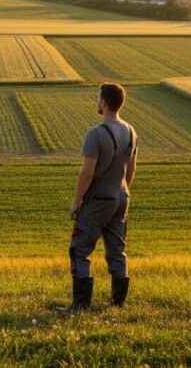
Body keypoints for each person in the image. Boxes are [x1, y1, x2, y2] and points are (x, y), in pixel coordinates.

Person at [57, 82, 138, 314]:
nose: (97, 101)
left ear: (104, 102)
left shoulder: (96, 134)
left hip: (98, 200)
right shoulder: (131, 131)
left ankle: (80, 305)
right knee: (117, 250)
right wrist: (121, 191)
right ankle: (118, 304)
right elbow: (131, 169)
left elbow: (87, 173)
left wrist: (76, 202)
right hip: (121, 197)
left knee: (79, 249)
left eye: (98, 98)